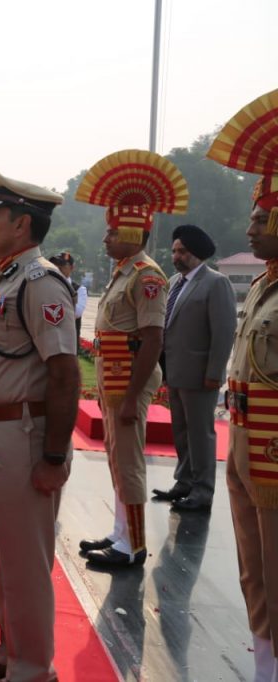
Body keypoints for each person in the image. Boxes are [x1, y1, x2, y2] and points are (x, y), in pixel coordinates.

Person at [0, 172, 79, 682]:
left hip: (27, 434)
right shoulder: (9, 277)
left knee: (26, 561)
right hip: (0, 431)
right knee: (6, 554)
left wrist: (53, 456)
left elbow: (64, 372)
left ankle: (34, 669)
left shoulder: (40, 281)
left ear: (23, 223)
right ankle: (12, 653)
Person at [74, 149, 188, 568]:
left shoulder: (147, 276)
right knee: (116, 462)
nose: (104, 239)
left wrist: (131, 396)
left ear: (130, 232)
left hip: (129, 384)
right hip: (114, 381)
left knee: (130, 464)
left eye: (110, 232)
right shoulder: (124, 271)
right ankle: (121, 532)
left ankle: (133, 546)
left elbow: (154, 339)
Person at [206, 88, 278, 682]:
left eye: (259, 218)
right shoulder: (260, 286)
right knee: (254, 565)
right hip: (247, 447)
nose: (249, 228)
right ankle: (262, 662)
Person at [151, 225, 236, 512]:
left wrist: (215, 372)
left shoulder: (215, 283)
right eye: (175, 250)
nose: (176, 256)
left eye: (182, 251)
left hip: (201, 375)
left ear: (196, 253)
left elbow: (223, 332)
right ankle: (184, 481)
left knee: (200, 433)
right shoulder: (175, 281)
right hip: (175, 371)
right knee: (181, 431)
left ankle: (203, 490)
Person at [48, 252, 87, 348]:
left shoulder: (79, 289)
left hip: (68, 342)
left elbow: (76, 313)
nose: (57, 268)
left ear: (72, 268)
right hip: (47, 339)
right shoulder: (45, 286)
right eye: (55, 264)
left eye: (61, 265)